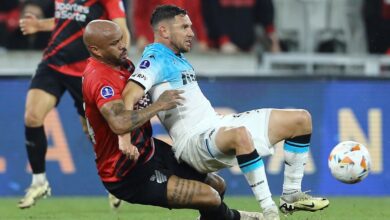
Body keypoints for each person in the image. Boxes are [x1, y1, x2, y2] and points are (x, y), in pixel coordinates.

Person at [122, 5, 330, 220]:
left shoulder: (176, 57)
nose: (192, 33)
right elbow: (129, 94)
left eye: (191, 27)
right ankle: (269, 212)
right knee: (239, 134)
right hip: (193, 142)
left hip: (216, 124)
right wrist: (125, 139)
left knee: (300, 120)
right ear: (164, 31)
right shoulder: (155, 59)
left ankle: (291, 196)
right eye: (184, 27)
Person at [82, 19, 263, 220]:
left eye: (121, 39)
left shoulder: (122, 63)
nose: (123, 45)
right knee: (210, 198)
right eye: (115, 43)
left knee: (218, 186)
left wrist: (124, 138)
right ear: (96, 50)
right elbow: (119, 122)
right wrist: (159, 105)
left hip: (149, 150)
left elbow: (126, 105)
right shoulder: (99, 78)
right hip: (127, 173)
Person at [18, 0, 130, 209]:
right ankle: (39, 181)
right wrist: (40, 25)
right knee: (32, 116)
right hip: (53, 63)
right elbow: (68, 19)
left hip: (85, 72)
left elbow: (120, 29)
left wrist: (120, 61)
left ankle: (115, 179)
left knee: (92, 132)